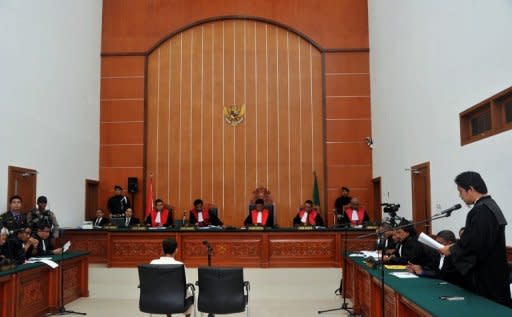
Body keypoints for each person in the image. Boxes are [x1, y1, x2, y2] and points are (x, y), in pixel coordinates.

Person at [439, 171, 511, 307]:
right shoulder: (490, 206)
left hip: (485, 275)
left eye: (460, 191)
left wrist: (452, 250)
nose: (460, 196)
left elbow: (474, 243)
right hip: (494, 271)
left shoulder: (481, 210)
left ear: (470, 189)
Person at [150, 238, 192, 317]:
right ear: (176, 250)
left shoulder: (153, 263)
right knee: (189, 290)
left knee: (164, 287)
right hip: (176, 300)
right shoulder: (180, 265)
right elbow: (184, 283)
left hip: (155, 299)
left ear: (162, 249)